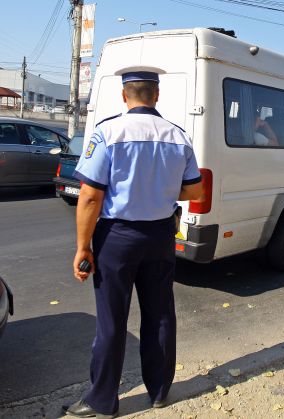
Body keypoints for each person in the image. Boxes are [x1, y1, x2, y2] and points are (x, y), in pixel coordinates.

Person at [64, 66, 203, 418]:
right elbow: (195, 189)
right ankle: (159, 391)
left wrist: (83, 247)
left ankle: (102, 401)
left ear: (124, 96)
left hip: (118, 238)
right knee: (159, 313)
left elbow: (91, 196)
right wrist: (161, 187)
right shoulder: (178, 136)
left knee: (112, 318)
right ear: (156, 95)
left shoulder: (109, 132)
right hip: (160, 235)